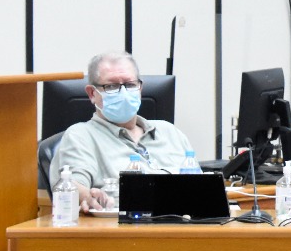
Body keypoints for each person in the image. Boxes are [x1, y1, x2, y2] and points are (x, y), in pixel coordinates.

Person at [53, 51, 195, 213]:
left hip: (184, 227)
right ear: (92, 93)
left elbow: (201, 190)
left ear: (140, 88)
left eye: (130, 85)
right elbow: (72, 185)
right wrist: (86, 195)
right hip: (122, 230)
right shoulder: (80, 136)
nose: (123, 93)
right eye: (111, 86)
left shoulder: (170, 132)